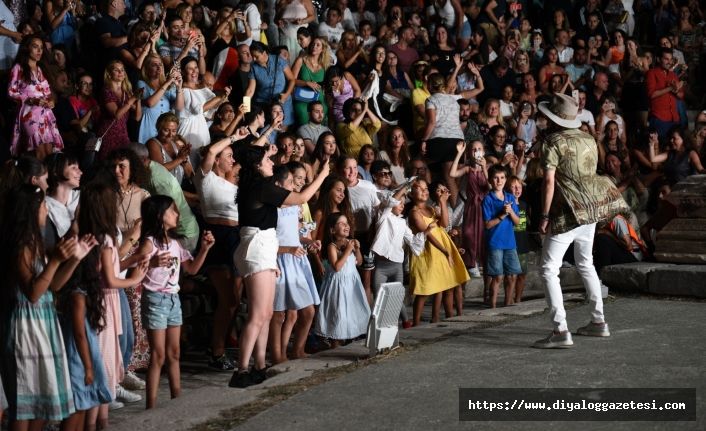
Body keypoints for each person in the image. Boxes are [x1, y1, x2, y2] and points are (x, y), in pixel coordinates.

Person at [229, 145, 330, 388]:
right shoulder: (262, 187)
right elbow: (303, 198)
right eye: (267, 160)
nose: (271, 163)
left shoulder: (257, 187)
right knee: (257, 315)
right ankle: (242, 370)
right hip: (258, 247)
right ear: (256, 165)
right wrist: (323, 175)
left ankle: (260, 365)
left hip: (262, 246)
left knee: (264, 314)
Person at [534, 93, 628, 349]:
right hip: (589, 210)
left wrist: (543, 215)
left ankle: (560, 329)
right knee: (586, 263)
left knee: (548, 269)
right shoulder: (588, 138)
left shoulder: (552, 142)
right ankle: (599, 322)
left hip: (566, 212)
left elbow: (550, 182)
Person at [0, 185, 95, 430]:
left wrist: (74, 259)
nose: (46, 209)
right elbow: (32, 293)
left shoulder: (36, 242)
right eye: (43, 205)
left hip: (44, 324)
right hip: (25, 327)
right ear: (31, 211)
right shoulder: (20, 247)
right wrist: (54, 261)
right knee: (24, 404)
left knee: (42, 401)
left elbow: (51, 286)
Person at [137, 196, 214, 409]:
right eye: (172, 210)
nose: (177, 214)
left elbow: (192, 269)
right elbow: (136, 273)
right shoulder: (149, 243)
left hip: (173, 299)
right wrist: (150, 262)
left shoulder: (174, 243)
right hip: (154, 299)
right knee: (158, 355)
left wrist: (205, 248)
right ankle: (150, 406)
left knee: (174, 352)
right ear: (160, 216)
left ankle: (176, 401)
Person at [193, 133, 248, 371]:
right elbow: (210, 152)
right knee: (229, 299)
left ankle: (219, 345)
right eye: (229, 156)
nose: (232, 160)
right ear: (217, 160)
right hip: (218, 236)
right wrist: (233, 137)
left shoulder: (230, 183)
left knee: (234, 301)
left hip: (236, 238)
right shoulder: (205, 179)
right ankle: (216, 352)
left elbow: (246, 160)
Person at [57, 246, 113, 431]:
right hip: (78, 359)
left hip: (83, 356)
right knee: (77, 407)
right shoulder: (77, 296)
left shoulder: (82, 294)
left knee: (82, 406)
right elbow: (80, 334)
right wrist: (89, 367)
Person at [268, 164, 320, 363]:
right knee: (278, 313)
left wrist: (309, 241)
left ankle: (297, 350)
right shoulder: (271, 209)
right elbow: (269, 240)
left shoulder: (292, 207)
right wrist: (287, 249)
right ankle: (277, 356)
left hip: (297, 260)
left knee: (307, 311)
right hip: (279, 259)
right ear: (278, 184)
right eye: (290, 181)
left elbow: (296, 230)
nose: (293, 185)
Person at [408, 179, 469, 326]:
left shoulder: (431, 209)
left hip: (440, 251)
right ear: (410, 194)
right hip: (427, 253)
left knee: (443, 284)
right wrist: (445, 251)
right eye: (420, 189)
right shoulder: (414, 213)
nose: (424, 191)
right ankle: (415, 323)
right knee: (424, 289)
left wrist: (442, 203)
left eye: (426, 189)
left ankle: (442, 316)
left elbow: (445, 224)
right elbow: (428, 235)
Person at [312, 212, 371, 347]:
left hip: (351, 283)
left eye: (347, 223)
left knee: (351, 311)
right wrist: (347, 251)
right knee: (338, 313)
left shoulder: (350, 242)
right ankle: (335, 344)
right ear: (333, 230)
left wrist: (357, 250)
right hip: (337, 285)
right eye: (341, 223)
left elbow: (360, 262)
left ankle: (351, 338)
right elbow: (337, 267)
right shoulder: (332, 246)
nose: (346, 225)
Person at [8, 36, 63, 160]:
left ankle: (49, 178)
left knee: (49, 153)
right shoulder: (18, 67)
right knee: (39, 153)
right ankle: (38, 178)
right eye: (35, 47)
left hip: (45, 114)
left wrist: (51, 101)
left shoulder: (41, 69)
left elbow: (48, 93)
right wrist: (31, 100)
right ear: (26, 48)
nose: (39, 50)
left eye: (41, 47)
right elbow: (11, 92)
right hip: (29, 112)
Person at [482, 164, 521, 308]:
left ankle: (507, 305)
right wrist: (502, 215)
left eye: (502, 178)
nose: (499, 181)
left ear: (505, 179)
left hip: (510, 242)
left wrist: (510, 211)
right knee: (497, 276)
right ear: (491, 180)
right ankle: (492, 307)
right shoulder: (488, 200)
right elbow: (487, 224)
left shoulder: (510, 197)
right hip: (495, 242)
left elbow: (517, 222)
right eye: (496, 178)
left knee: (512, 275)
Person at [179, 56, 230, 166]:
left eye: (196, 67)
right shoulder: (184, 90)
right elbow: (199, 109)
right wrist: (218, 97)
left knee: (203, 162)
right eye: (190, 69)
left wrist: (223, 96)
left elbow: (213, 105)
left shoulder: (202, 88)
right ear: (183, 72)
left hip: (202, 129)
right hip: (189, 130)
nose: (194, 71)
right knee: (189, 163)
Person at [95, 61, 143, 162]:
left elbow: (137, 117)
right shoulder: (106, 91)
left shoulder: (126, 92)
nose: (120, 72)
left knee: (124, 164)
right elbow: (117, 115)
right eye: (116, 70)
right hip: (108, 135)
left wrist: (138, 99)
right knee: (108, 166)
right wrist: (133, 98)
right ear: (108, 74)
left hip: (123, 135)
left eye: (122, 70)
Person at [246, 42, 296, 129]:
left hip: (282, 99)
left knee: (282, 128)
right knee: (265, 127)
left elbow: (291, 80)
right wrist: (245, 107)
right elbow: (250, 90)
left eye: (256, 56)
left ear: (264, 53)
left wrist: (286, 95)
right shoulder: (254, 67)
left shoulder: (279, 60)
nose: (254, 59)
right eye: (252, 56)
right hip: (263, 101)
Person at [137, 53, 184, 144]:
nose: (159, 68)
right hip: (148, 126)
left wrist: (179, 87)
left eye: (160, 65)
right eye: (154, 65)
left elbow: (179, 107)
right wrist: (167, 83)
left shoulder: (168, 87)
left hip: (166, 129)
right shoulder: (141, 83)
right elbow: (150, 104)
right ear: (146, 69)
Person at [645, 48, 684, 142]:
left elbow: (681, 96)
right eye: (666, 59)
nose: (669, 62)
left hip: (674, 118)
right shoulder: (651, 73)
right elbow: (651, 94)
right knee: (659, 145)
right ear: (658, 59)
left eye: (671, 59)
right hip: (659, 117)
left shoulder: (673, 75)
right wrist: (670, 88)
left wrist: (675, 91)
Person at [291, 37, 330, 126]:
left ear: (323, 49)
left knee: (322, 115)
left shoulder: (325, 65)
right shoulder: (300, 60)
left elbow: (327, 84)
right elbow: (291, 80)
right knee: (303, 114)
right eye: (312, 44)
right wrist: (306, 83)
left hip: (319, 97)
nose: (314, 46)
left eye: (317, 45)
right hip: (302, 97)